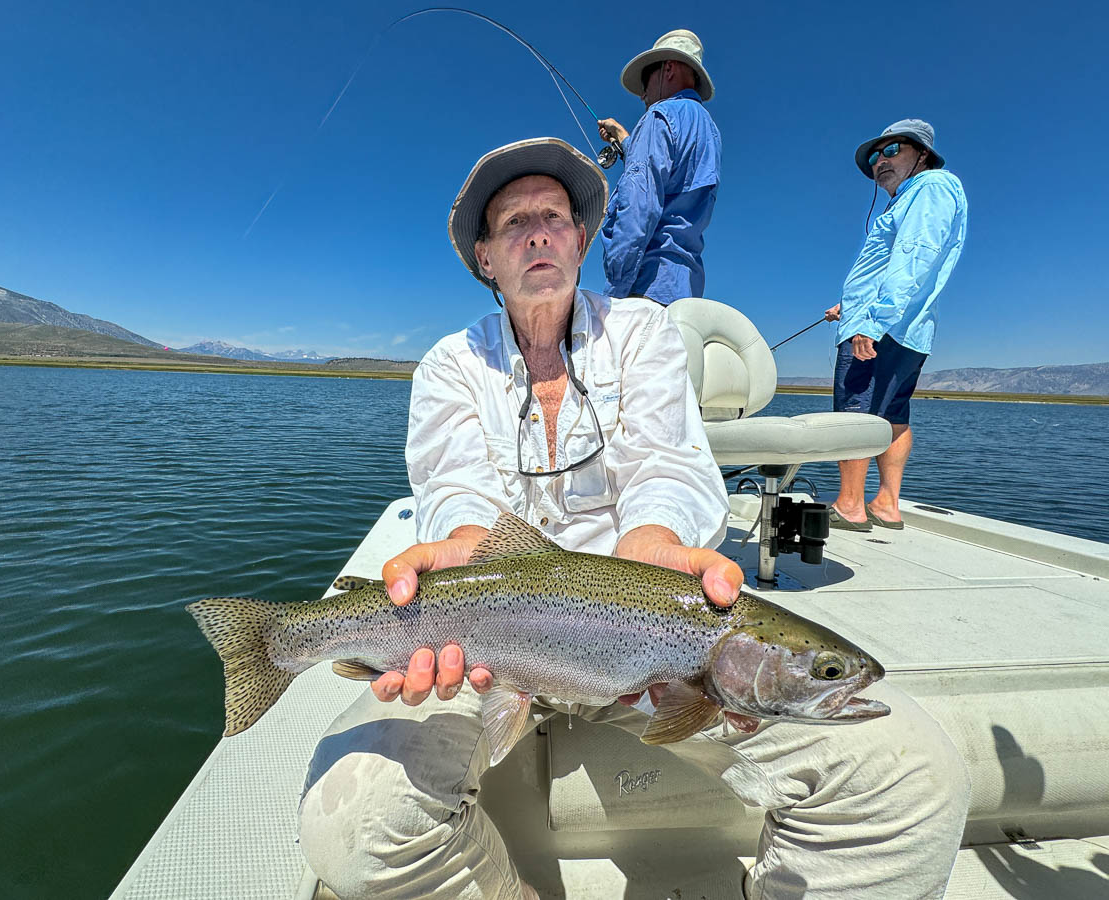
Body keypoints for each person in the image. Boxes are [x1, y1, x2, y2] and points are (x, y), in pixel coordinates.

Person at [299, 137, 970, 900]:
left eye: (554, 215)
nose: (539, 232)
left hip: (656, 649)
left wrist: (650, 541)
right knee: (348, 828)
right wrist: (462, 542)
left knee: (913, 780)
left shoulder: (644, 332)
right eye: (514, 221)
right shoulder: (448, 364)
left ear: (582, 239)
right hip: (479, 637)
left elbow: (669, 462)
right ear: (485, 257)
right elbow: (454, 486)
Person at [824, 119, 968, 531]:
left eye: (892, 151)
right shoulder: (920, 195)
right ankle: (886, 503)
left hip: (882, 328)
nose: (879, 162)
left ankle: (850, 505)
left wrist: (871, 320)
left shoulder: (929, 188)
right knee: (893, 415)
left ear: (921, 154)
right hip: (907, 329)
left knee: (855, 411)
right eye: (874, 156)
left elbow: (915, 255)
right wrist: (849, 305)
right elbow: (898, 265)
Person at [596, 29, 721, 305]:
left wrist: (615, 296)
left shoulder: (658, 117)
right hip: (685, 295)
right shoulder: (708, 129)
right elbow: (674, 182)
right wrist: (624, 138)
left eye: (646, 79)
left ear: (668, 69)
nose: (643, 94)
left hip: (644, 290)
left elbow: (640, 207)